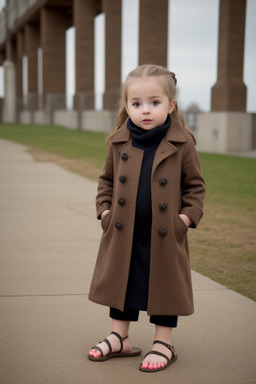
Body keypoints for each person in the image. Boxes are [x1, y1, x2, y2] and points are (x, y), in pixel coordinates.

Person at [88, 64, 205, 372]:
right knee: (123, 279)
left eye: (155, 102)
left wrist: (184, 220)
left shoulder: (183, 143)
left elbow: (196, 188)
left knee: (163, 282)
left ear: (171, 104)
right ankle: (119, 337)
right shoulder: (119, 140)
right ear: (127, 106)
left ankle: (163, 341)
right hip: (123, 229)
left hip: (165, 232)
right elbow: (106, 182)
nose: (146, 110)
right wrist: (105, 213)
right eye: (136, 104)